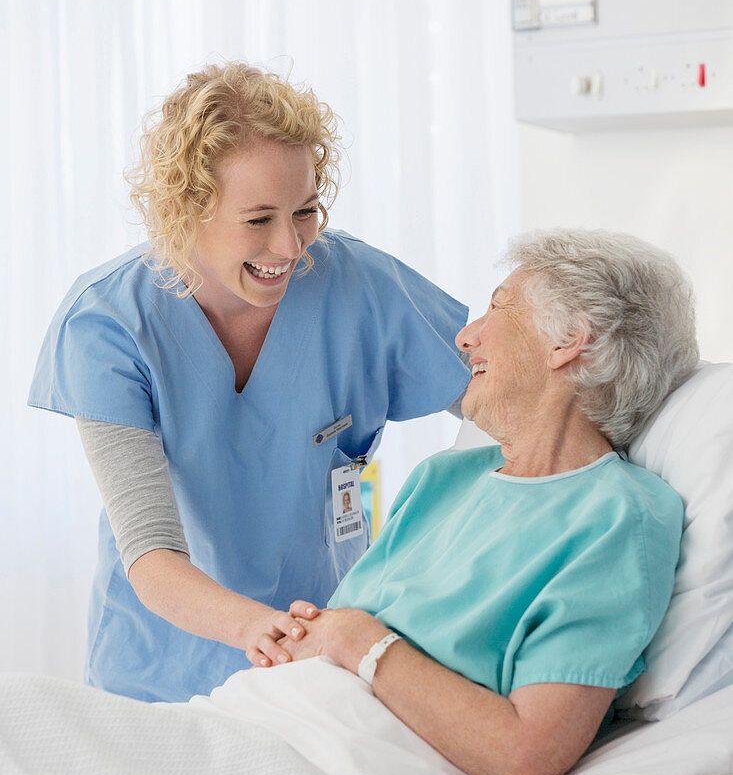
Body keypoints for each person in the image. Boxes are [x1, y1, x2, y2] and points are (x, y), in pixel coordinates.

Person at [28, 62, 469, 704]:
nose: (290, 246)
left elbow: (504, 401)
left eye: (306, 211)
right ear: (186, 210)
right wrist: (262, 630)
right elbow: (150, 555)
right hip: (160, 674)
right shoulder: (108, 324)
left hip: (324, 655)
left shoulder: (361, 289)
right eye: (258, 219)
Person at [248, 229, 698, 775]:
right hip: (267, 727)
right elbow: (326, 643)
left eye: (497, 308)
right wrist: (304, 639)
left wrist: (355, 638)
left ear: (567, 342)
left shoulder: (620, 517)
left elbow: (524, 754)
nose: (464, 338)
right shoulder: (444, 477)